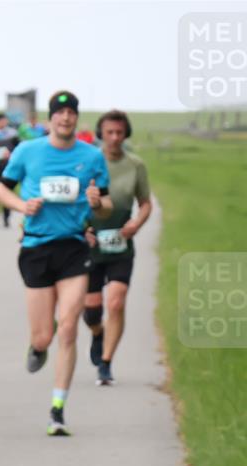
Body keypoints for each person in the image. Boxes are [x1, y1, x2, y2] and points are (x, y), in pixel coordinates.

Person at [0, 91, 112, 436]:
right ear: (50, 119)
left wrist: (98, 202)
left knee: (69, 326)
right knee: (45, 335)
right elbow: (1, 191)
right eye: (59, 113)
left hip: (74, 248)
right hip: (36, 248)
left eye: (70, 113)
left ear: (76, 118)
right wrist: (21, 206)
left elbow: (104, 204)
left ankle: (57, 408)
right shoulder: (29, 151)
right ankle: (38, 346)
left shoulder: (92, 156)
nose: (65, 118)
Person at [84, 109, 152, 386]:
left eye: (119, 133)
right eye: (109, 132)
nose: (114, 138)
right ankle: (97, 332)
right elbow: (75, 200)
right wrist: (82, 229)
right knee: (91, 311)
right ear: (101, 134)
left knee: (116, 301)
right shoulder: (88, 161)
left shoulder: (136, 165)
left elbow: (146, 202)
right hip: (90, 244)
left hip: (121, 244)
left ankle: (107, 362)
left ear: (126, 135)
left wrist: (137, 223)